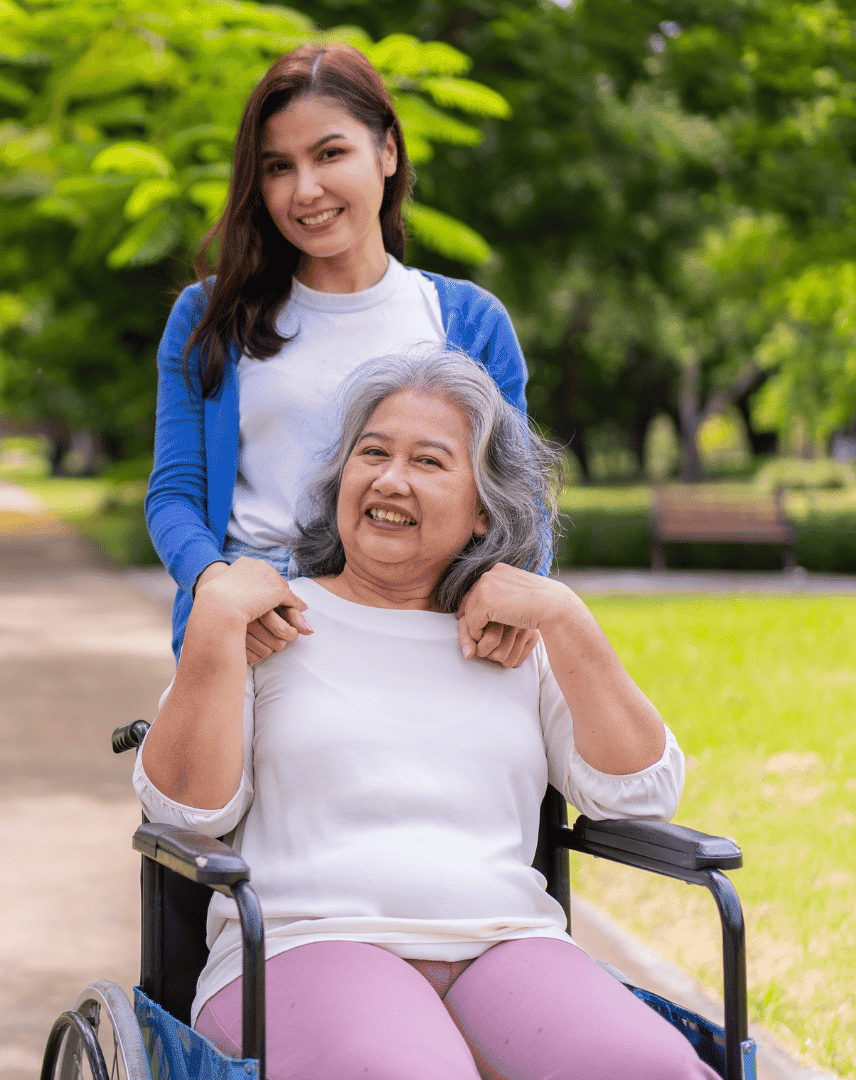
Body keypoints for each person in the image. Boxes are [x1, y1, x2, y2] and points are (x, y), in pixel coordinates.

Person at [134, 350, 719, 1080]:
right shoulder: (269, 621)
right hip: (305, 944)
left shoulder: (518, 637)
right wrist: (215, 620)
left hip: (506, 945)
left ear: (483, 510)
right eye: (371, 453)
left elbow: (639, 792)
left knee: (653, 1071)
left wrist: (568, 620)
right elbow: (184, 812)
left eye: (429, 462)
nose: (389, 478)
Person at [147, 41, 547, 669]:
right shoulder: (208, 318)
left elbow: (518, 502)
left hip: (425, 617)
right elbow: (174, 495)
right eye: (278, 167)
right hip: (260, 625)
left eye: (330, 154)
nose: (305, 190)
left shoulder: (468, 321)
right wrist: (215, 587)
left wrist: (519, 598)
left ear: (387, 151)